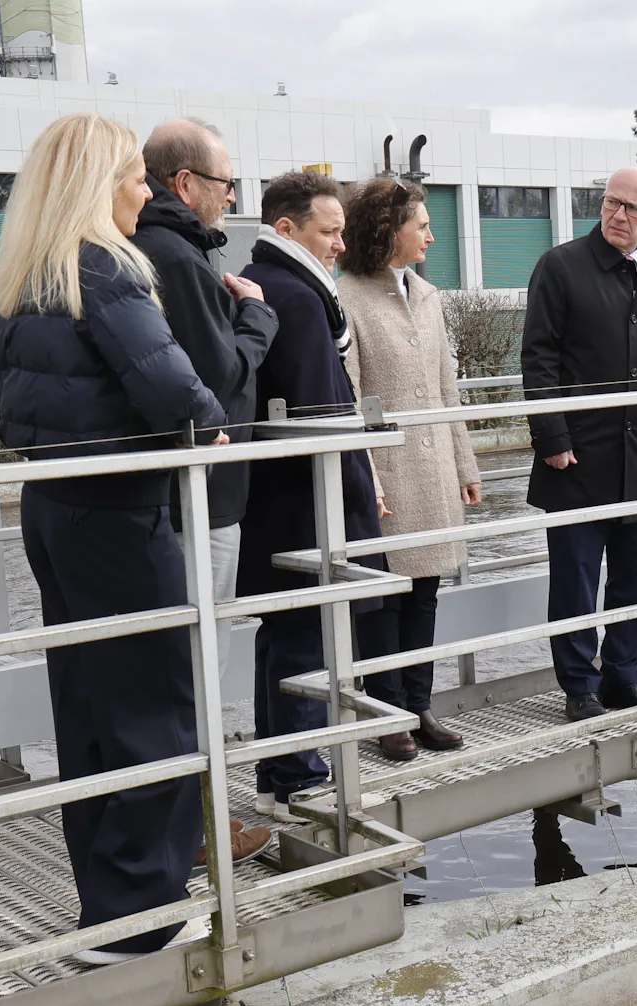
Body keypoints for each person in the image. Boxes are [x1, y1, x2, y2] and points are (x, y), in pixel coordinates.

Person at [0, 112, 233, 962]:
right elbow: (171, 383)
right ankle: (142, 920)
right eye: (133, 177)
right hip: (122, 510)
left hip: (54, 506)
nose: (144, 190)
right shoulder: (108, 266)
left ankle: (108, 903)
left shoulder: (22, 275)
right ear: (98, 185)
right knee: (157, 707)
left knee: (90, 708)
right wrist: (207, 420)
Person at [133, 117, 278, 863]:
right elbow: (220, 377)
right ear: (185, 184)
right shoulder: (177, 257)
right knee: (200, 660)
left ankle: (189, 823)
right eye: (225, 185)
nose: (231, 198)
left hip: (183, 490)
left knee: (185, 658)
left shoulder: (162, 251)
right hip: (205, 490)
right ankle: (197, 830)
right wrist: (257, 314)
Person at [519, 167, 637, 722]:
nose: (619, 216)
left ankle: (623, 674)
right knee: (574, 578)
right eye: (611, 203)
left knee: (635, 573)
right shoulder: (561, 266)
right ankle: (579, 686)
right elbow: (538, 356)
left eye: (633, 208)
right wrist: (551, 434)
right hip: (576, 452)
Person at [238, 170, 385, 820]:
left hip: (277, 500)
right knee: (307, 634)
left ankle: (282, 772)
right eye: (329, 231)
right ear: (288, 229)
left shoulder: (276, 284)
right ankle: (299, 776)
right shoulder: (296, 298)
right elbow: (318, 407)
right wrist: (358, 487)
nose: (339, 244)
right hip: (307, 502)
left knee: (284, 634)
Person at [337, 176, 480, 760]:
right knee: (384, 597)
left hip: (435, 469)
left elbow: (447, 386)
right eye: (420, 224)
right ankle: (385, 712)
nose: (430, 234)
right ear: (386, 231)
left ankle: (419, 704)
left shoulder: (427, 295)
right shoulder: (349, 297)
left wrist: (465, 462)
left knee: (425, 592)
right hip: (389, 473)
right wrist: (365, 476)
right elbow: (349, 396)